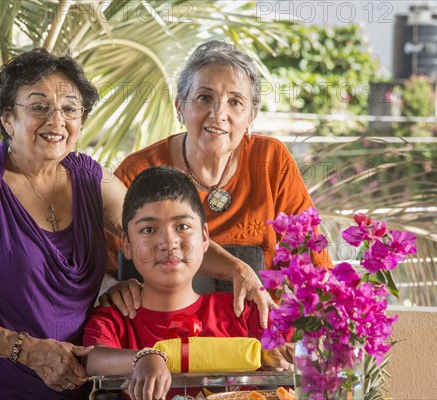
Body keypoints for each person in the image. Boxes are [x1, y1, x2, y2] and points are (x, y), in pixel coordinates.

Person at [0, 48, 128, 400]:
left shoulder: (90, 178)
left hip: (69, 388)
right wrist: (29, 351)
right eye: (38, 107)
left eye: (70, 109)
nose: (57, 121)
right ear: (7, 118)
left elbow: (161, 230)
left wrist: (235, 269)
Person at [107, 40, 330, 314]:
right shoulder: (138, 171)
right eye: (204, 97)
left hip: (261, 339)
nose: (218, 114)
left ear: (251, 117)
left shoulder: (272, 161)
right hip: (164, 340)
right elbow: (102, 267)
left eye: (235, 102)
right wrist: (113, 287)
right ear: (180, 106)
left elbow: (314, 265)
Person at [84, 166, 293, 400]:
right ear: (127, 246)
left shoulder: (247, 313)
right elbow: (93, 358)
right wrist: (144, 357)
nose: (168, 241)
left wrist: (290, 357)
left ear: (204, 237)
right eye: (148, 229)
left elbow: (294, 357)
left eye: (182, 226)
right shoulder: (116, 318)